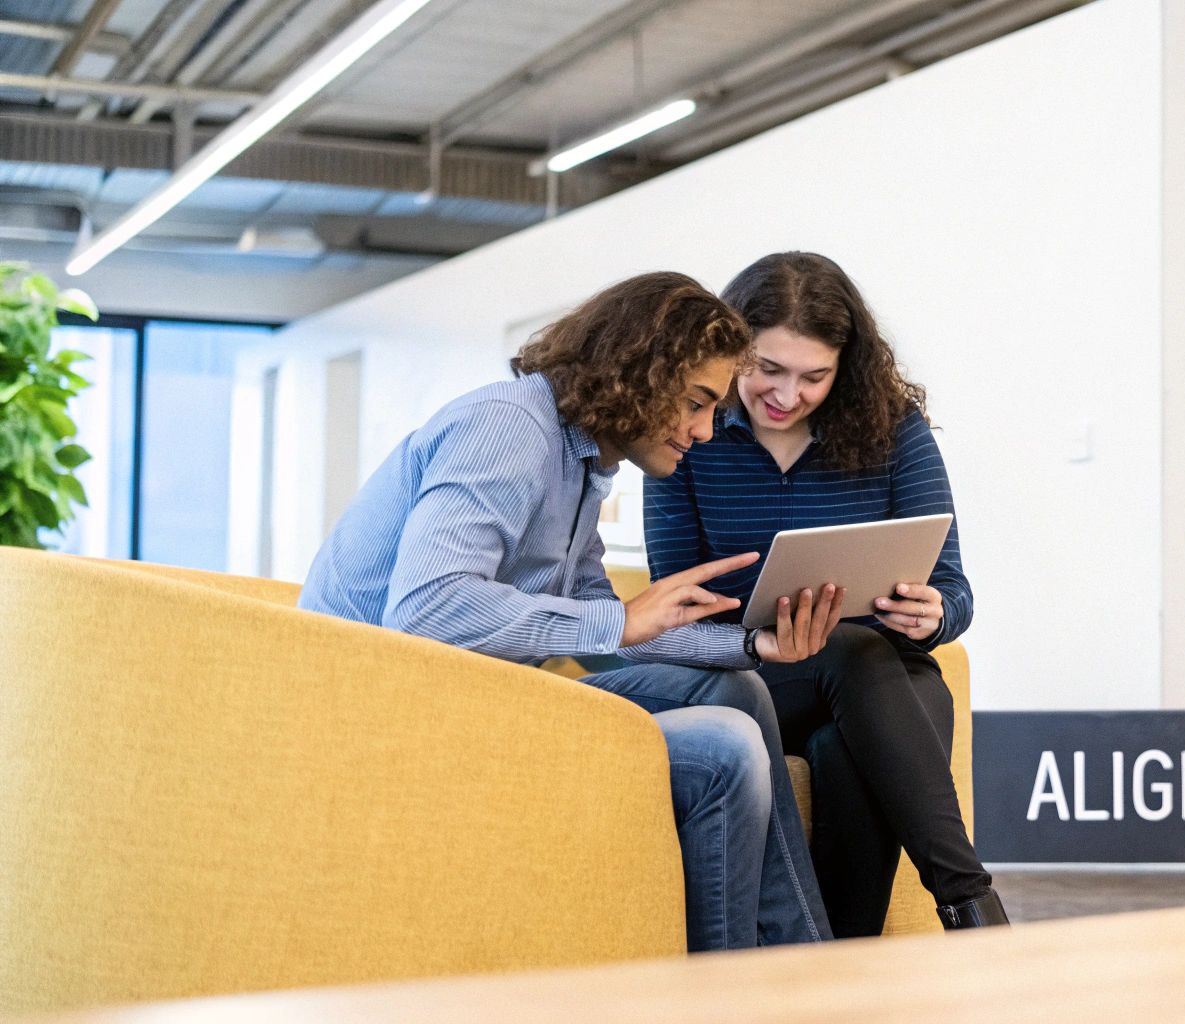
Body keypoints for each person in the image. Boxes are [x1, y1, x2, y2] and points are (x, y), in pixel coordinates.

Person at [299, 271, 842, 951]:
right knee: (727, 749)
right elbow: (425, 608)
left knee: (735, 688)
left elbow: (599, 626)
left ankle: (800, 960)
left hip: (478, 698)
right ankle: (728, 995)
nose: (706, 432)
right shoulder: (508, 429)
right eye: (698, 403)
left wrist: (753, 646)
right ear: (642, 371)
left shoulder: (581, 461)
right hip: (394, 720)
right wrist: (618, 619)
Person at [644, 252, 1008, 934]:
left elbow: (952, 590)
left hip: (869, 691)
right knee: (857, 653)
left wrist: (933, 615)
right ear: (729, 352)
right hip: (751, 682)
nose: (787, 395)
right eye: (767, 370)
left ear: (846, 367)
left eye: (814, 376)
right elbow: (674, 617)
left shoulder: (892, 428)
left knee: (858, 721)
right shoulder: (687, 435)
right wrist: (760, 642)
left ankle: (840, 965)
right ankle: (970, 902)